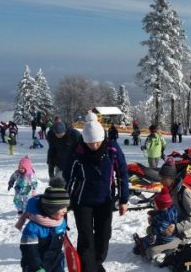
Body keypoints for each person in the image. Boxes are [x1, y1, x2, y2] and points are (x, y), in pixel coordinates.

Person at [66, 111, 129, 272]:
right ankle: (88, 268)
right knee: (86, 240)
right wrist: (63, 203)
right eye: (90, 143)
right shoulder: (77, 151)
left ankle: (94, 264)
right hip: (82, 201)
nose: (94, 145)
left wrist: (123, 199)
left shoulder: (112, 149)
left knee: (103, 238)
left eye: (97, 142)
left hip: (105, 200)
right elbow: (68, 178)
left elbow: (122, 173)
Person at [144, 157, 191, 264]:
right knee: (145, 243)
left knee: (151, 251)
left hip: (182, 235)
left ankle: (174, 252)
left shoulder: (184, 193)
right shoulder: (167, 191)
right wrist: (154, 216)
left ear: (171, 178)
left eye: (163, 178)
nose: (160, 181)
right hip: (166, 232)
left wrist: (177, 227)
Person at [18, 177, 70, 272]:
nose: (65, 211)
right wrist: (37, 268)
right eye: (61, 208)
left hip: (56, 263)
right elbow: (29, 252)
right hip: (35, 266)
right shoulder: (32, 229)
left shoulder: (60, 222)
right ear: (51, 209)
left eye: (66, 207)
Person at [133, 187, 178, 255]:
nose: (154, 206)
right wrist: (154, 214)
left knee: (150, 238)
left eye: (155, 204)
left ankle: (142, 248)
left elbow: (160, 230)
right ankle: (143, 241)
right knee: (149, 237)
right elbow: (160, 214)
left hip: (165, 238)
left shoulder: (165, 218)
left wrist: (151, 229)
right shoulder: (169, 210)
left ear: (160, 205)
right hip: (167, 235)